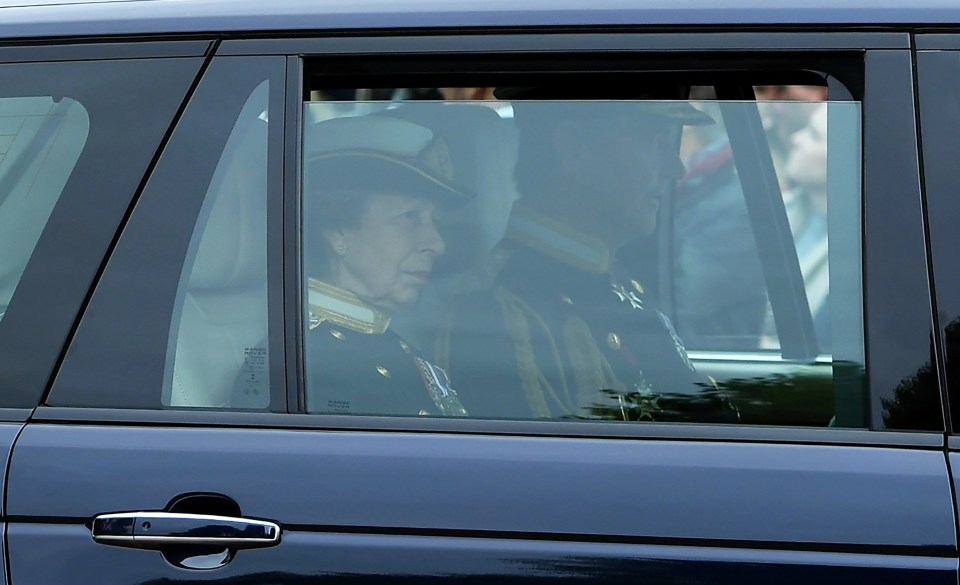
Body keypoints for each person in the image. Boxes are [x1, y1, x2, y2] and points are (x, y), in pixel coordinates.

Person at [438, 91, 738, 422]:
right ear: (576, 148)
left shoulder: (612, 277)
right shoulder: (500, 313)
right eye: (655, 143)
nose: (675, 168)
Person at [297, 114, 471, 417]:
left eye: (435, 222)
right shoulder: (303, 367)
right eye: (410, 217)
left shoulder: (395, 347)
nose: (437, 244)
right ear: (338, 231)